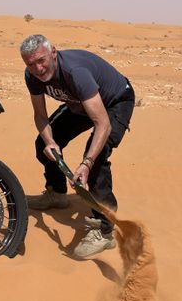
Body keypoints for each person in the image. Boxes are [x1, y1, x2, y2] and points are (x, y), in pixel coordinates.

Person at [20, 34, 135, 259]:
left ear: (53, 52)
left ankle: (104, 230)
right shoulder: (32, 76)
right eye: (31, 64)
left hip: (114, 101)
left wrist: (86, 163)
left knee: (97, 156)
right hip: (80, 104)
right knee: (42, 143)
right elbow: (40, 116)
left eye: (41, 60)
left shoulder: (76, 72)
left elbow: (102, 124)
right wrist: (51, 142)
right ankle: (58, 194)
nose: (38, 68)